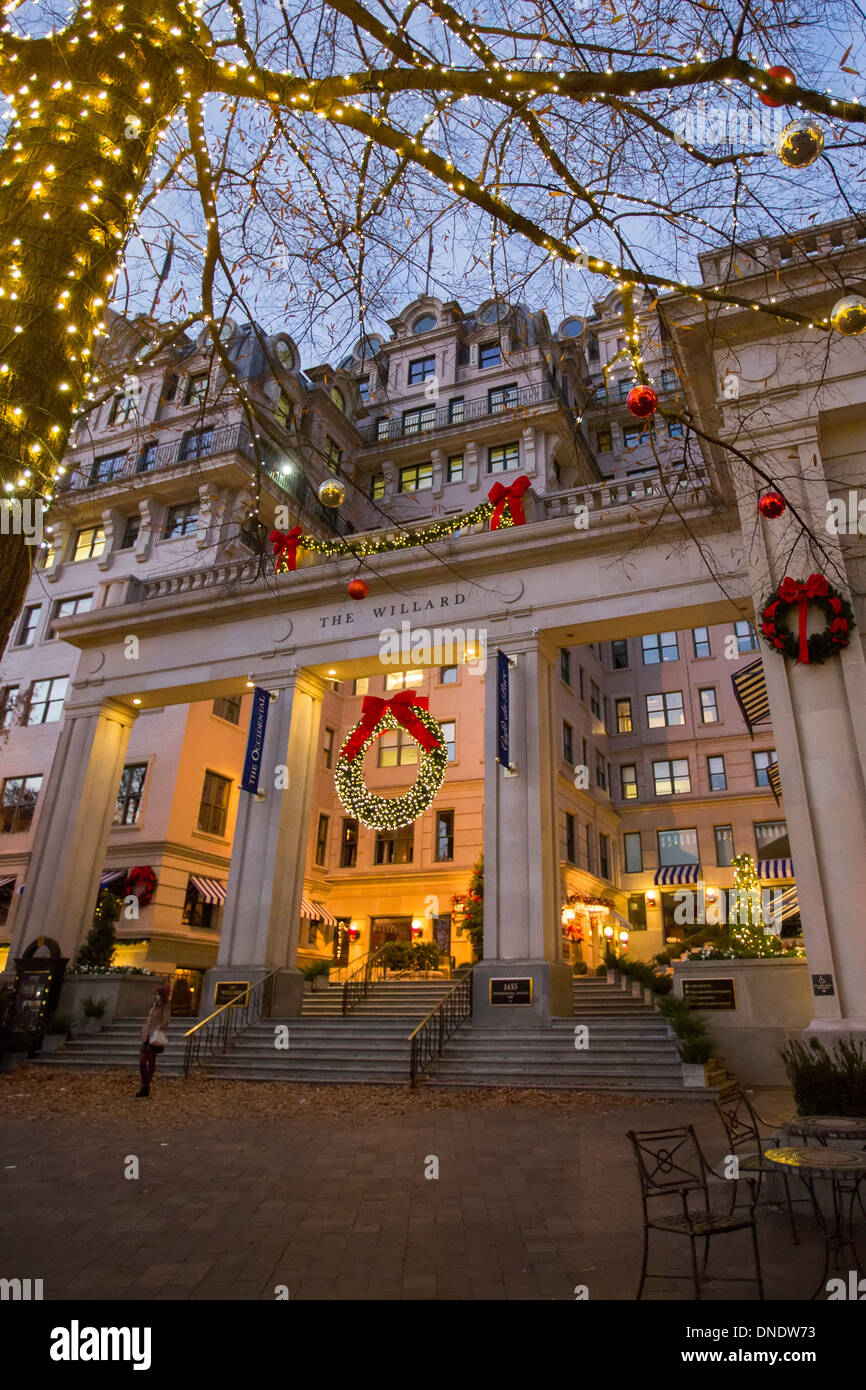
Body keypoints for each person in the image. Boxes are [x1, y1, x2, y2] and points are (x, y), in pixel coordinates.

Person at [137, 984, 171, 1097]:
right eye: (156, 994)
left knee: (150, 1061)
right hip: (146, 1036)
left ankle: (146, 1086)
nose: (156, 996)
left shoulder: (165, 1006)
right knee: (142, 1062)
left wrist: (158, 1028)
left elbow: (166, 1020)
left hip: (154, 1036)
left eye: (158, 994)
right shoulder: (154, 1005)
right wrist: (144, 1029)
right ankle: (145, 1084)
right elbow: (149, 1018)